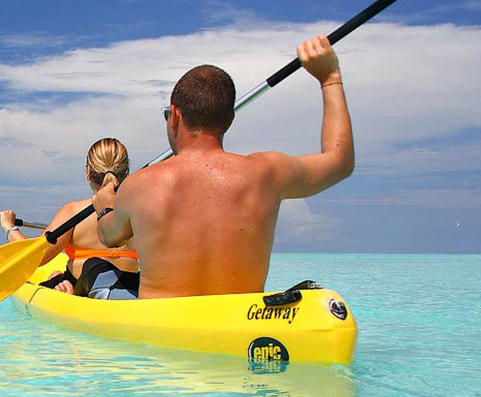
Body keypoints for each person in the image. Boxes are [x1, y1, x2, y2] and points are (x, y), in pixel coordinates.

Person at [91, 34, 353, 299]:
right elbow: (340, 162)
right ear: (229, 120)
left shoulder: (139, 185)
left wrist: (105, 207)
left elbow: (109, 236)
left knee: (95, 270)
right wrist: (329, 78)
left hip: (161, 328)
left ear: (175, 117)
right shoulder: (267, 173)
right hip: (238, 325)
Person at [0, 138, 139, 299]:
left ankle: (60, 282)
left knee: (56, 281)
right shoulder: (140, 212)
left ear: (88, 172)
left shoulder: (73, 211)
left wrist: (9, 227)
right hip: (127, 286)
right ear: (126, 172)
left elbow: (34, 258)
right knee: (61, 276)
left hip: (81, 289)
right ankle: (57, 278)